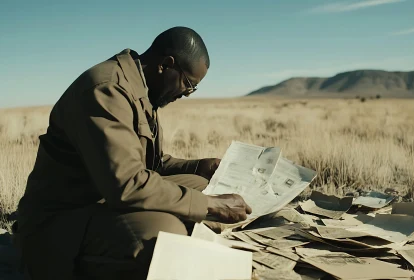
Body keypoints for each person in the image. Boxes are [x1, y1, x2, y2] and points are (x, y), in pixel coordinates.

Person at [14, 26, 252, 280]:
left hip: (106, 200)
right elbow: (127, 184)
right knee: (163, 235)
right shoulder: (107, 90)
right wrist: (211, 205)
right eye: (188, 84)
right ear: (166, 65)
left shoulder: (141, 89)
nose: (186, 94)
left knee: (202, 185)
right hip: (62, 222)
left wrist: (198, 166)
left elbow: (151, 165)